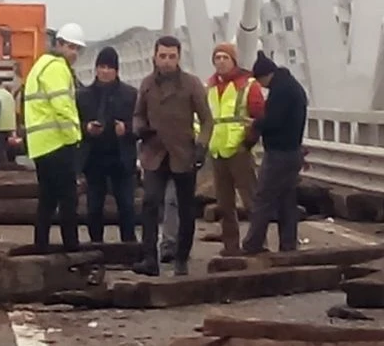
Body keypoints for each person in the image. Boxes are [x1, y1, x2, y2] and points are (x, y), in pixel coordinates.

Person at [132, 35, 210, 277]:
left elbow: (207, 120)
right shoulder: (147, 84)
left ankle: (181, 258)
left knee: (186, 208)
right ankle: (149, 259)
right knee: (150, 203)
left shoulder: (191, 84)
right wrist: (140, 128)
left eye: (172, 56)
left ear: (179, 58)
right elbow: (138, 114)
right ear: (155, 57)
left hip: (183, 154)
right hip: (154, 152)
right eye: (163, 56)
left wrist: (201, 146)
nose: (167, 61)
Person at [23, 24, 85, 249]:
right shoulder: (58, 68)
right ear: (58, 44)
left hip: (41, 146)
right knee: (68, 201)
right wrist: (74, 138)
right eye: (70, 47)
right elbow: (63, 108)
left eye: (77, 49)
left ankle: (41, 247)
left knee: (47, 202)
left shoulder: (40, 65)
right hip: (57, 143)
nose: (74, 53)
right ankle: (72, 249)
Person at [242, 50, 309, 254]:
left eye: (259, 80)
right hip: (293, 152)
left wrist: (255, 124)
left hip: (279, 153)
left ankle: (253, 244)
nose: (261, 86)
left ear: (266, 75)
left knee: (263, 199)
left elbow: (274, 121)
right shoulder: (291, 86)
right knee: (286, 201)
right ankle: (288, 246)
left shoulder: (281, 91)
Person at [203, 42, 265, 256]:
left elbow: (259, 116)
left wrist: (248, 142)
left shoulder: (248, 85)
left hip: (240, 149)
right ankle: (231, 246)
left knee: (250, 199)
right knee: (224, 203)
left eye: (225, 57)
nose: (221, 61)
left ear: (234, 60)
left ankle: (257, 243)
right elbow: (203, 118)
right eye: (217, 58)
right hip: (217, 150)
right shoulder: (209, 87)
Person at [76, 46, 138, 244]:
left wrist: (127, 129)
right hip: (94, 159)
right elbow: (74, 124)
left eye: (109, 68)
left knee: (126, 206)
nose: (105, 71)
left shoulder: (130, 94)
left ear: (116, 70)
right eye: (101, 67)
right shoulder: (83, 95)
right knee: (94, 207)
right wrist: (87, 128)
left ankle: (129, 245)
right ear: (95, 69)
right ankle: (96, 245)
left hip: (121, 159)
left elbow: (142, 124)